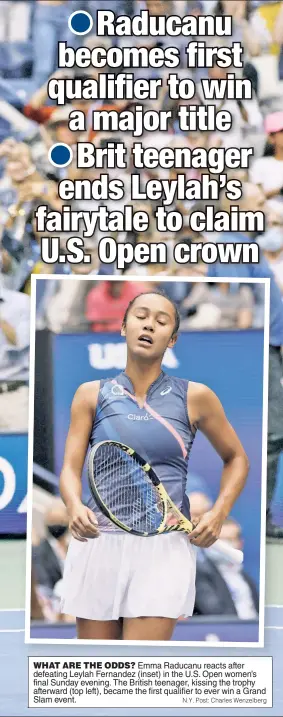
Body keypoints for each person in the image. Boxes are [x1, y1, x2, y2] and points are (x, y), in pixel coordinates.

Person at [59, 290, 249, 641]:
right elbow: (71, 468)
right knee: (98, 676)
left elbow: (236, 458)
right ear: (123, 327)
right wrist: (73, 506)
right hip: (98, 542)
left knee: (141, 670)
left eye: (161, 321)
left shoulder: (195, 396)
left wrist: (219, 514)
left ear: (172, 339)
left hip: (163, 548)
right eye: (141, 316)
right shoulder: (91, 394)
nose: (149, 324)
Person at [206, 184, 283, 539]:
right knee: (270, 433)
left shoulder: (243, 243)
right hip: (257, 351)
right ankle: (258, 518)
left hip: (269, 348)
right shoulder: (233, 244)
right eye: (259, 200)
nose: (265, 206)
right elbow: (235, 305)